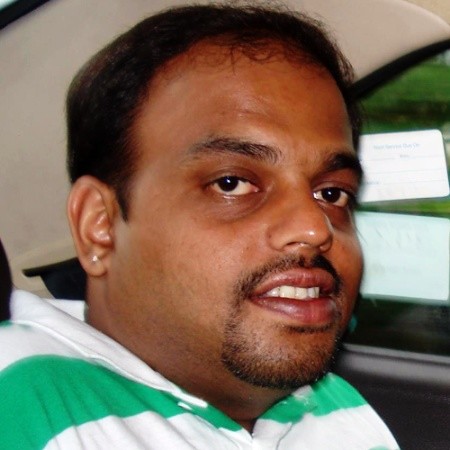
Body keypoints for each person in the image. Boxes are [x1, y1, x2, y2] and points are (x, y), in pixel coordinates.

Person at [0, 3, 399, 449]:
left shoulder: (334, 405)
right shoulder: (18, 402)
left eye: (332, 194)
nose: (314, 227)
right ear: (100, 226)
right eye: (232, 184)